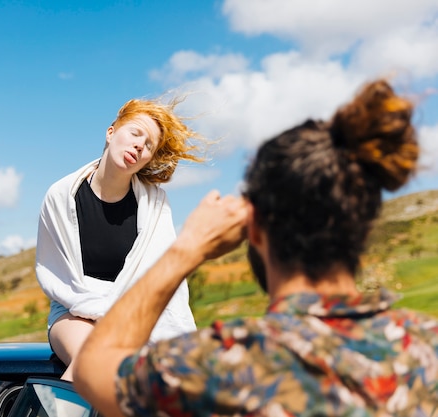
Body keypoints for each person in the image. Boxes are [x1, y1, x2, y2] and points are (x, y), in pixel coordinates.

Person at [73, 79, 438, 416]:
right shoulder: (427, 347)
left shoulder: (224, 364)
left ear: (255, 228)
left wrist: (188, 248)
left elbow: (95, 370)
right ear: (362, 229)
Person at [35, 97, 206, 381]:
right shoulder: (62, 196)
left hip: (133, 317)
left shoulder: (155, 206)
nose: (140, 145)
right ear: (111, 132)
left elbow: (164, 280)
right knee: (93, 360)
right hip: (73, 310)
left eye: (149, 145)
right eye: (135, 133)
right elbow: (59, 277)